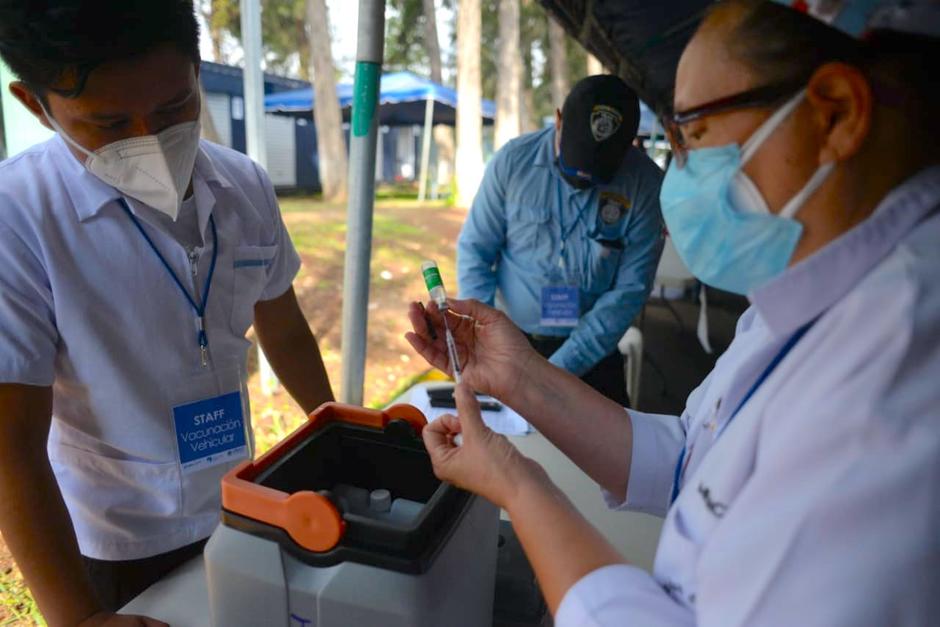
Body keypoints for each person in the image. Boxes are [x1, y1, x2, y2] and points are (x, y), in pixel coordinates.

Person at [408, 0, 939, 624]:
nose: (679, 167)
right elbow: (690, 453)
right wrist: (518, 373)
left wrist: (519, 488)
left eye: (691, 133)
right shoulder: (798, 305)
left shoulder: (896, 372)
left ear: (836, 114)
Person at [0, 1, 334, 624]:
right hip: (116, 537)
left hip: (242, 501)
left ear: (197, 69)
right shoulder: (18, 218)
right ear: (34, 104)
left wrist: (332, 420)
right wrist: (79, 618)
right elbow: (10, 442)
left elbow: (282, 323)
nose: (150, 140)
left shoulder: (245, 186)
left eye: (175, 107)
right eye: (108, 122)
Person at [457, 75, 664, 406]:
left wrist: (554, 372)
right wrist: (484, 336)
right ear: (557, 120)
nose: (581, 180)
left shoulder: (646, 186)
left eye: (598, 171)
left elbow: (630, 291)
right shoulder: (513, 163)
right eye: (575, 161)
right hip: (512, 343)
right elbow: (475, 251)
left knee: (605, 453)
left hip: (592, 354)